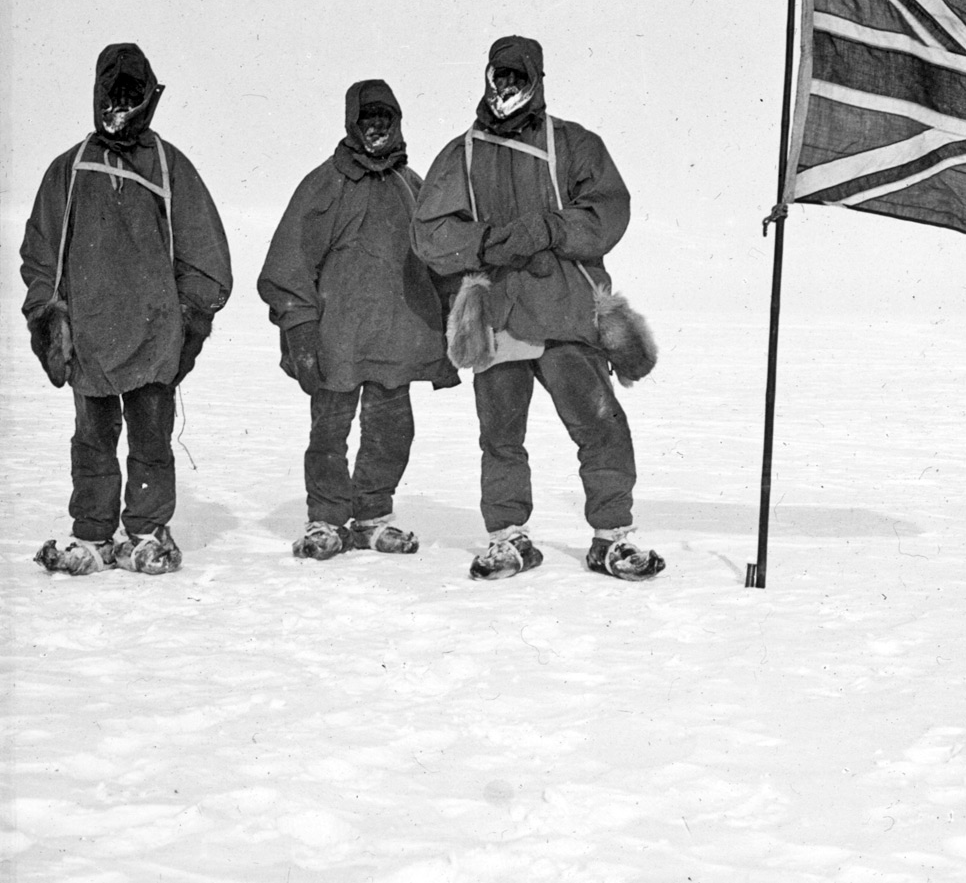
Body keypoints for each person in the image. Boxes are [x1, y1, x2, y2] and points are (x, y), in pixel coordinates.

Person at [412, 35, 664, 581]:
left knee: (600, 426)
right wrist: (486, 242)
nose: (506, 86)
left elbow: (607, 214)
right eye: (497, 75)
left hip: (567, 313)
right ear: (485, 78)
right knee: (500, 436)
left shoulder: (575, 144)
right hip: (498, 316)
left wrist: (550, 228)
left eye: (516, 75)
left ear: (537, 80)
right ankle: (507, 539)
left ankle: (613, 538)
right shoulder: (462, 154)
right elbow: (430, 234)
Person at [22, 42, 233, 576]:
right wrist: (47, 319)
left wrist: (189, 321)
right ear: (97, 96)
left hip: (154, 336)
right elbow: (40, 253)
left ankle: (146, 531)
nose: (120, 104)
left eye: (130, 93)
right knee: (92, 441)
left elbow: (205, 256)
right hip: (89, 338)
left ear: (146, 98)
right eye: (111, 93)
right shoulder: (68, 170)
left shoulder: (168, 166)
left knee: (151, 441)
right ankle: (92, 534)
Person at [258, 80, 459, 561]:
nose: (375, 128)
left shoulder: (413, 187)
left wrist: (456, 317)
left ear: (397, 123)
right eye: (366, 119)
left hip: (398, 338)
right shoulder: (324, 184)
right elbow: (288, 263)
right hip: (337, 341)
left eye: (383, 119)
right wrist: (301, 332)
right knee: (329, 432)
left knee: (391, 431)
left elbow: (442, 261)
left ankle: (373, 515)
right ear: (352, 123)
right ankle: (325, 520)